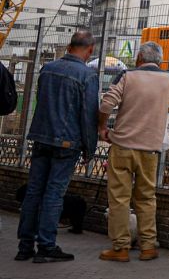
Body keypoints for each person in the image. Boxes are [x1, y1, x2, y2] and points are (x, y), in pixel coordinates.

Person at [97, 41, 169, 262]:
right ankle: (148, 247)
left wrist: (103, 128)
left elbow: (106, 104)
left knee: (119, 199)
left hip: (123, 147)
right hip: (150, 151)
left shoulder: (127, 76)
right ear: (160, 61)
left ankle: (120, 248)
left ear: (139, 58)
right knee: (146, 198)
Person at [15, 30, 99, 263]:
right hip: (67, 142)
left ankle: (24, 247)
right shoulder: (87, 76)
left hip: (41, 137)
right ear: (90, 50)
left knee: (34, 192)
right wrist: (89, 148)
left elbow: (41, 101)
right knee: (54, 194)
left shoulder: (47, 69)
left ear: (70, 46)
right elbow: (88, 116)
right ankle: (46, 246)